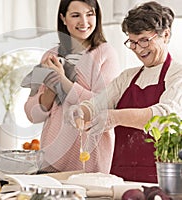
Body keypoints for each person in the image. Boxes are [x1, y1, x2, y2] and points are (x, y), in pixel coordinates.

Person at [67, 1, 182, 183]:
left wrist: (114, 118)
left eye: (144, 40)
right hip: (121, 182)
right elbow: (96, 105)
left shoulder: (178, 74)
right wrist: (81, 112)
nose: (138, 49)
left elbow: (164, 117)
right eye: (133, 42)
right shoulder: (127, 77)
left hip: (163, 181)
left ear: (166, 35)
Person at [23, 0, 120, 173]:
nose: (84, 22)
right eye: (75, 15)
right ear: (63, 19)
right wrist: (51, 88)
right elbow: (33, 114)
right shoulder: (51, 56)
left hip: (90, 156)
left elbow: (103, 104)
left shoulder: (106, 54)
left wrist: (61, 80)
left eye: (90, 14)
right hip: (52, 155)